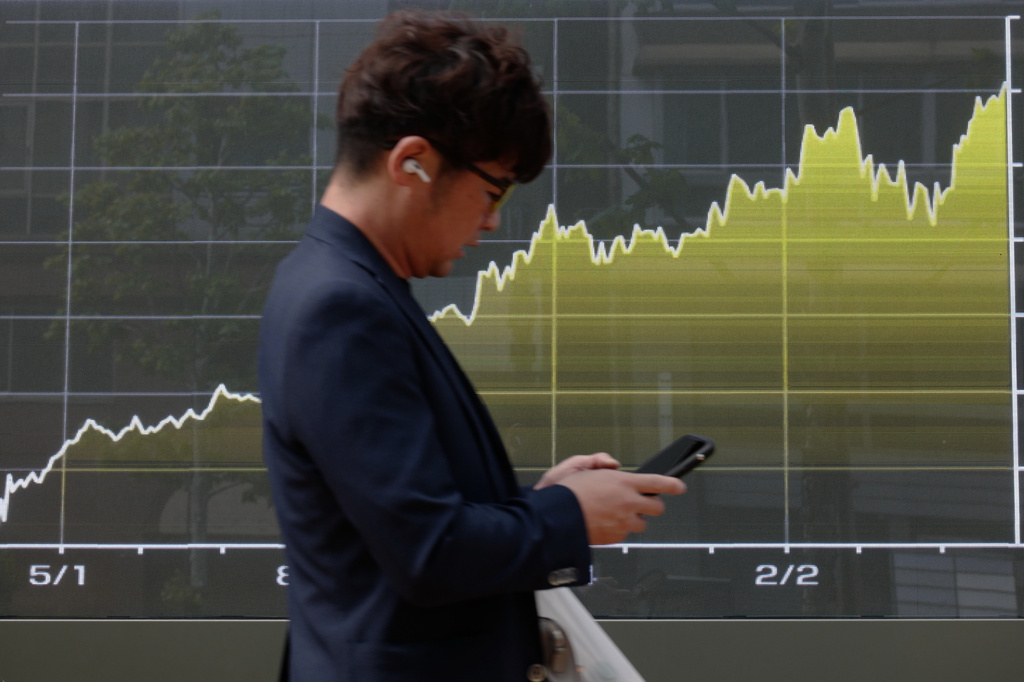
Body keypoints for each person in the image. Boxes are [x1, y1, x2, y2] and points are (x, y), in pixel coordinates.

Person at [258, 11, 685, 681]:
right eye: (492, 191)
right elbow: (428, 552)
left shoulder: (345, 284)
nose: (490, 222)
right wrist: (568, 517)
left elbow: (401, 513)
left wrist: (537, 501)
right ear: (413, 163)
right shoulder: (341, 307)